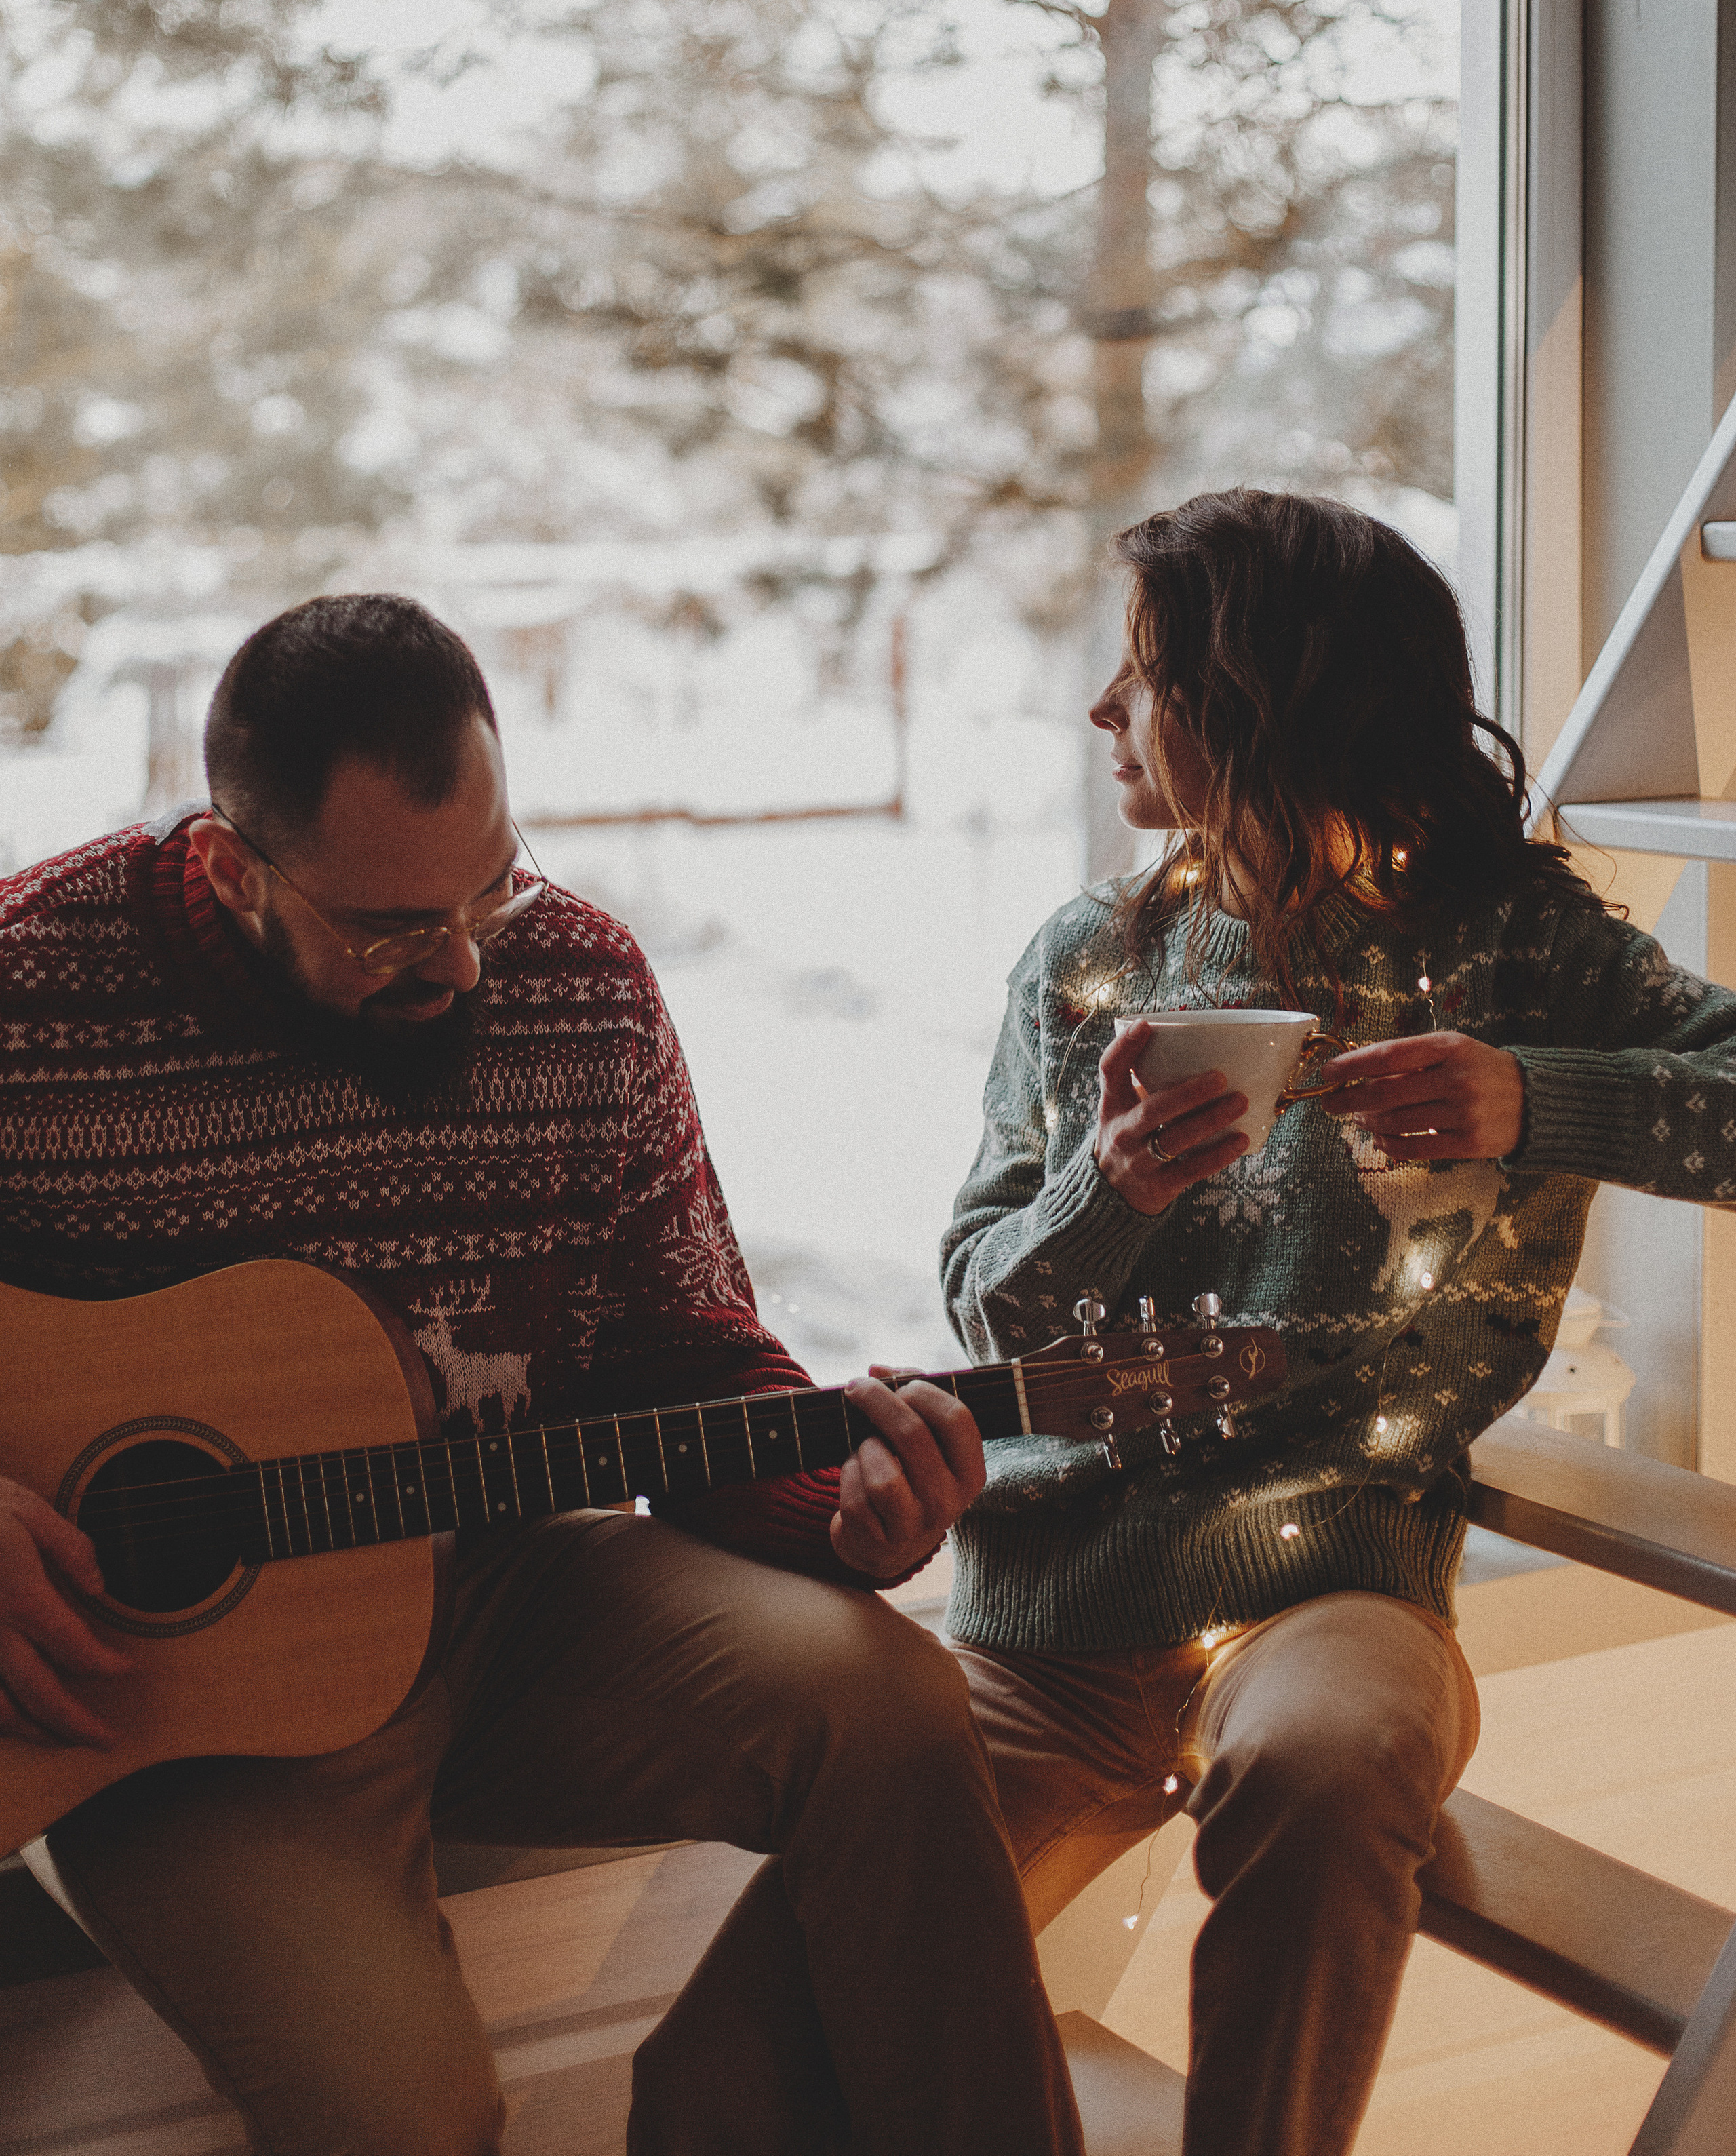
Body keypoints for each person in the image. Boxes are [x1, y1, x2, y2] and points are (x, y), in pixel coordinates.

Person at [0, 593, 1083, 2156]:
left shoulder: (575, 982)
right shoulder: (37, 982)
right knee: (409, 2113)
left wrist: (843, 1510)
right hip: (163, 1692)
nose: (456, 962)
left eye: (487, 887)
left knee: (891, 1701)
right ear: (239, 867)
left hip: (503, 1593)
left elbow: (682, 1349)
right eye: (387, 929)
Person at [936, 486, 1736, 2156]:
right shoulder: (1091, 954)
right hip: (1053, 1607)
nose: (1102, 710)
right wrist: (1112, 1192)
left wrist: (1535, 1100)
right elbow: (981, 1305)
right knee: (737, 2055)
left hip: (1335, 1576)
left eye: (1141, 673)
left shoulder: (1514, 944)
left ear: (1256, 703)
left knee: (1331, 1759)